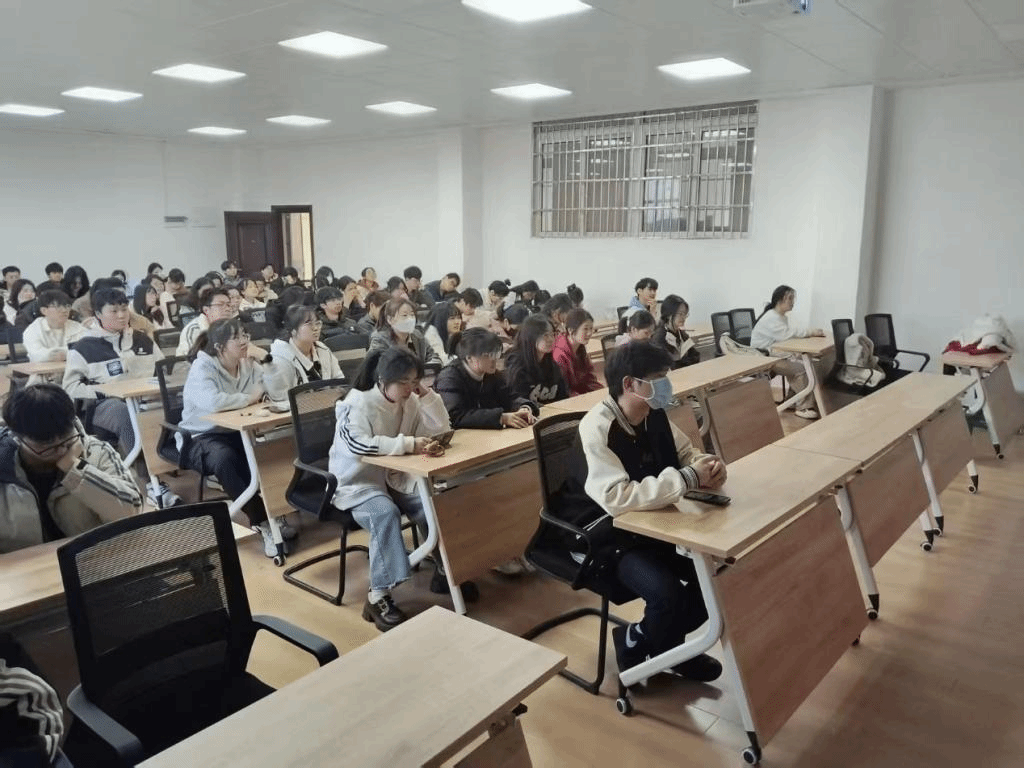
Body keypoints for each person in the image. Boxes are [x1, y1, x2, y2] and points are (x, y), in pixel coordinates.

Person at [556, 341, 727, 681]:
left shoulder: (653, 414)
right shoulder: (597, 428)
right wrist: (687, 478)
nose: (666, 385)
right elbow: (616, 498)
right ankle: (652, 647)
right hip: (602, 535)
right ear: (629, 384)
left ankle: (657, 644)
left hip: (648, 524)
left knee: (714, 576)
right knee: (667, 594)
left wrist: (707, 466)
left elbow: (686, 454)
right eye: (658, 377)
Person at [328, 347, 451, 630]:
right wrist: (407, 444)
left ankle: (446, 568)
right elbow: (357, 445)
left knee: (434, 503)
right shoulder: (356, 403)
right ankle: (378, 596)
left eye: (414, 381)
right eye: (403, 382)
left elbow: (439, 429)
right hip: (357, 484)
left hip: (395, 477)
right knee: (384, 514)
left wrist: (427, 395)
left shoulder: (411, 401)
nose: (409, 388)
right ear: (383, 380)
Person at [178, 318, 292, 556]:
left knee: (273, 450)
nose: (244, 341)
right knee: (225, 459)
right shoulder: (203, 367)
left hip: (239, 430)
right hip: (201, 436)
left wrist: (267, 360)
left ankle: (276, 513)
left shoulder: (248, 362)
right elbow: (213, 402)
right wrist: (250, 398)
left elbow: (280, 391)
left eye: (245, 335)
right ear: (219, 346)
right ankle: (263, 522)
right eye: (236, 337)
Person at [0, 383, 142, 553]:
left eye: (67, 440)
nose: (61, 450)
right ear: (17, 438)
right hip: (25, 567)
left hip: (90, 559)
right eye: (47, 447)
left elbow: (131, 512)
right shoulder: (5, 469)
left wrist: (75, 470)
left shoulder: (97, 452)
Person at [62, 289, 166, 478]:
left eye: (124, 309)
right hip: (102, 405)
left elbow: (165, 371)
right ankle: (151, 480)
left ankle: (173, 464)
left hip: (145, 399)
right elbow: (70, 389)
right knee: (125, 414)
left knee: (172, 408)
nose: (121, 315)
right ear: (98, 314)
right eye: (114, 311)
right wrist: (104, 391)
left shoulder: (142, 339)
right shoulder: (83, 346)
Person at [435, 327, 537, 430]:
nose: (494, 359)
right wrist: (501, 418)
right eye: (487, 355)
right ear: (469, 357)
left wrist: (524, 408)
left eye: (495, 353)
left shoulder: (492, 374)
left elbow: (510, 398)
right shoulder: (448, 378)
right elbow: (456, 416)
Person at [750, 285, 826, 419]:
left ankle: (793, 400)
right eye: (790, 298)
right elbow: (788, 334)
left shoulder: (779, 316)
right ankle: (803, 407)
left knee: (805, 363)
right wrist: (811, 332)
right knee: (801, 369)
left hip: (772, 354)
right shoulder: (771, 318)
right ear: (780, 300)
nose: (792, 302)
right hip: (764, 358)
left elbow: (787, 336)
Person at [264, 305, 344, 401]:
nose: (316, 328)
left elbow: (340, 382)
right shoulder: (280, 358)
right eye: (309, 324)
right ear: (293, 330)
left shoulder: (323, 350)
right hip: (294, 408)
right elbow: (280, 397)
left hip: (327, 405)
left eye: (318, 323)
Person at [505, 314, 569, 406]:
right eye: (545, 335)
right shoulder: (517, 368)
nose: (551, 339)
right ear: (531, 337)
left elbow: (563, 397)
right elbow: (519, 403)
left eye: (552, 334)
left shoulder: (552, 365)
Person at [368, 297, 442, 375]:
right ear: (390, 319)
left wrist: (429, 367)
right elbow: (378, 367)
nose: (410, 319)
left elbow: (433, 356)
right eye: (404, 315)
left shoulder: (417, 335)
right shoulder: (379, 339)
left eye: (412, 315)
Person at [23, 290, 86, 365]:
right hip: (43, 370)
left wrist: (63, 354)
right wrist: (68, 352)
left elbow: (84, 349)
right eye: (58, 307)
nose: (64, 310)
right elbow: (36, 354)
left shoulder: (77, 327)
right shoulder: (34, 329)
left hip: (73, 370)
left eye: (67, 306)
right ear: (44, 310)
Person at [553, 308, 603, 396]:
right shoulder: (559, 355)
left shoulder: (580, 348)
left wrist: (602, 392)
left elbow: (589, 379)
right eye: (585, 329)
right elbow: (565, 390)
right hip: (569, 399)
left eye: (591, 328)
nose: (589, 333)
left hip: (582, 395)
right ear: (570, 330)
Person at [176, 288, 233, 355]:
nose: (227, 308)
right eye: (220, 305)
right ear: (206, 310)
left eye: (228, 305)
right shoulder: (194, 330)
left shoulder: (233, 327)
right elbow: (193, 358)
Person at [651, 295, 700, 369]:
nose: (684, 318)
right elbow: (664, 366)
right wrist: (684, 362)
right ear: (668, 315)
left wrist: (684, 362)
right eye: (680, 314)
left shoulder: (681, 333)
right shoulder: (659, 338)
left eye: (685, 314)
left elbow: (696, 355)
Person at [422, 301, 463, 366]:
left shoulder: (451, 333)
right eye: (452, 318)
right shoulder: (430, 332)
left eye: (458, 318)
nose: (457, 322)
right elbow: (441, 359)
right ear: (440, 320)